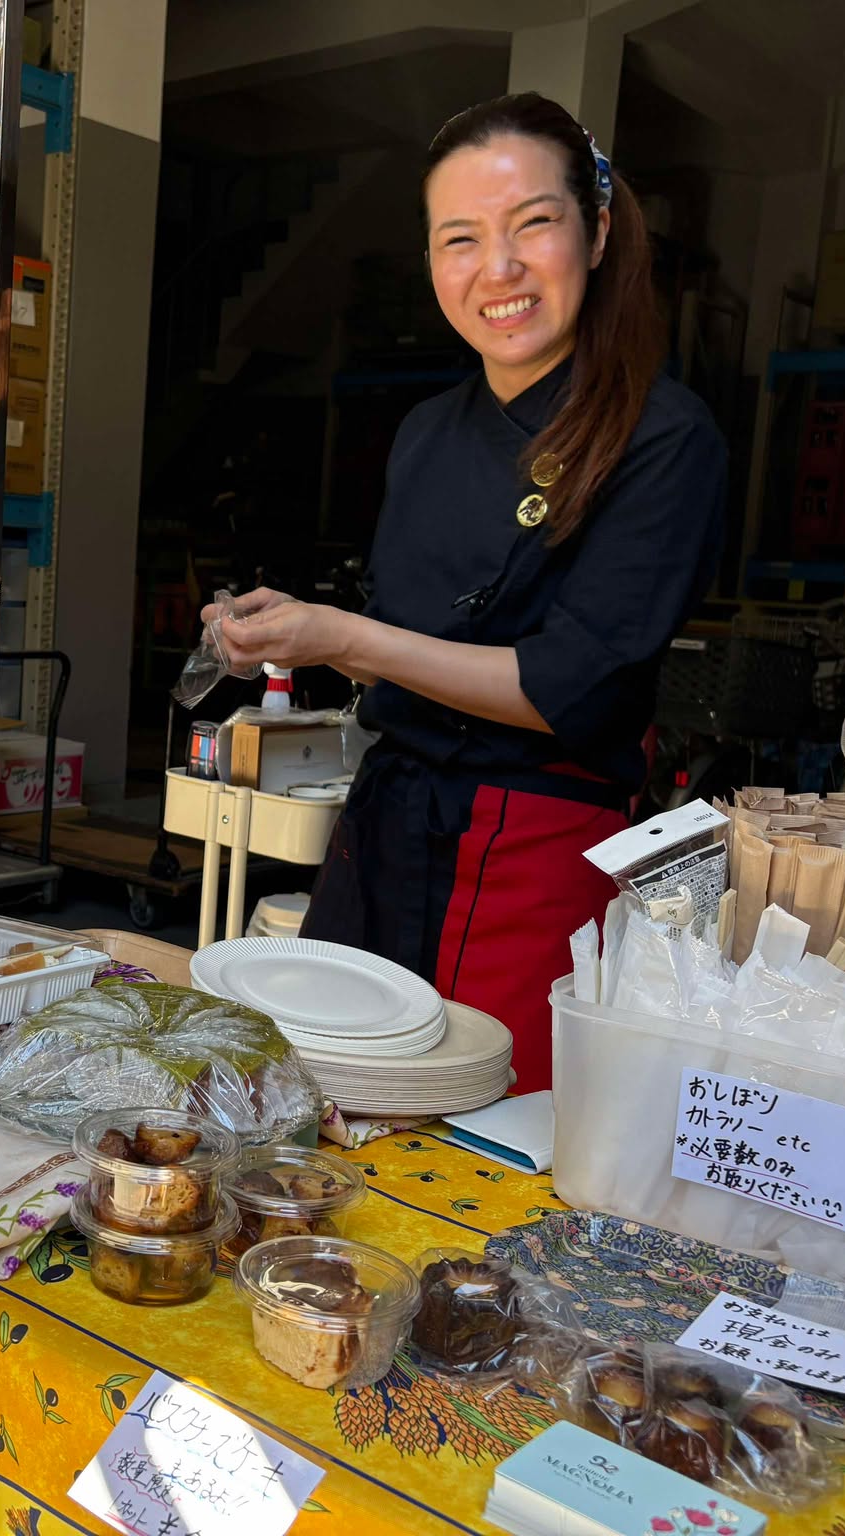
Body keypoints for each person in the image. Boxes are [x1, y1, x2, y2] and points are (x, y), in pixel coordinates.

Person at [206, 93, 726, 1092]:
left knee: (486, 1132)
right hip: (382, 833)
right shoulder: (425, 433)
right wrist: (287, 633)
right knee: (330, 1106)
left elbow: (569, 686)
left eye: (533, 223)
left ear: (597, 233)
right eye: (461, 238)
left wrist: (342, 638)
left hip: (533, 850)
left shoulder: (662, 439)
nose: (498, 268)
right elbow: (399, 647)